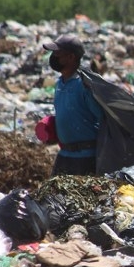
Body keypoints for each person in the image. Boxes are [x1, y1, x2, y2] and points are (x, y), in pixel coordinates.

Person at [42, 34, 103, 176]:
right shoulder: (59, 84)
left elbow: (103, 120)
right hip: (65, 154)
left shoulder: (84, 86)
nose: (54, 57)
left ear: (71, 57)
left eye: (58, 53)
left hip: (86, 157)